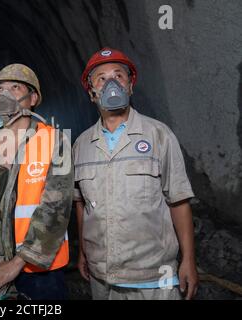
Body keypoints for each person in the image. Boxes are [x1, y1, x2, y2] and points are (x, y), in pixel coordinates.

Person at [73, 48, 199, 300]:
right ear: (92, 93)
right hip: (102, 277)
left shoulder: (159, 135)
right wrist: (83, 253)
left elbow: (179, 200)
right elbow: (82, 204)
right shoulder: (81, 144)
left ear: (130, 87)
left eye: (119, 76)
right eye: (101, 78)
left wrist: (189, 260)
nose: (111, 83)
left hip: (153, 277)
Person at [0, 64, 73, 300]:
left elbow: (55, 209)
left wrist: (18, 262)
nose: (4, 94)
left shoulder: (53, 142)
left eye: (15, 87)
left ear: (33, 97)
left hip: (38, 271)